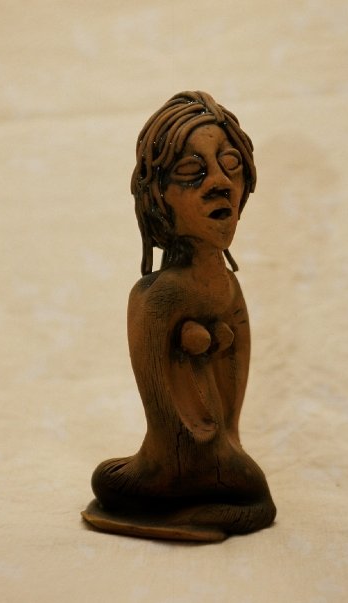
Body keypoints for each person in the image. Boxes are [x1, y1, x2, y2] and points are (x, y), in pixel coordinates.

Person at [91, 91, 276, 539]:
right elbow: (164, 412)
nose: (220, 182)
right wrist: (212, 452)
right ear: (159, 197)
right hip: (178, 458)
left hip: (220, 460)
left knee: (108, 481)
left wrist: (226, 448)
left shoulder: (229, 287)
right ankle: (192, 503)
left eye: (231, 164)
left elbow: (232, 398)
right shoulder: (156, 296)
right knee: (107, 479)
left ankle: (198, 507)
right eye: (192, 172)